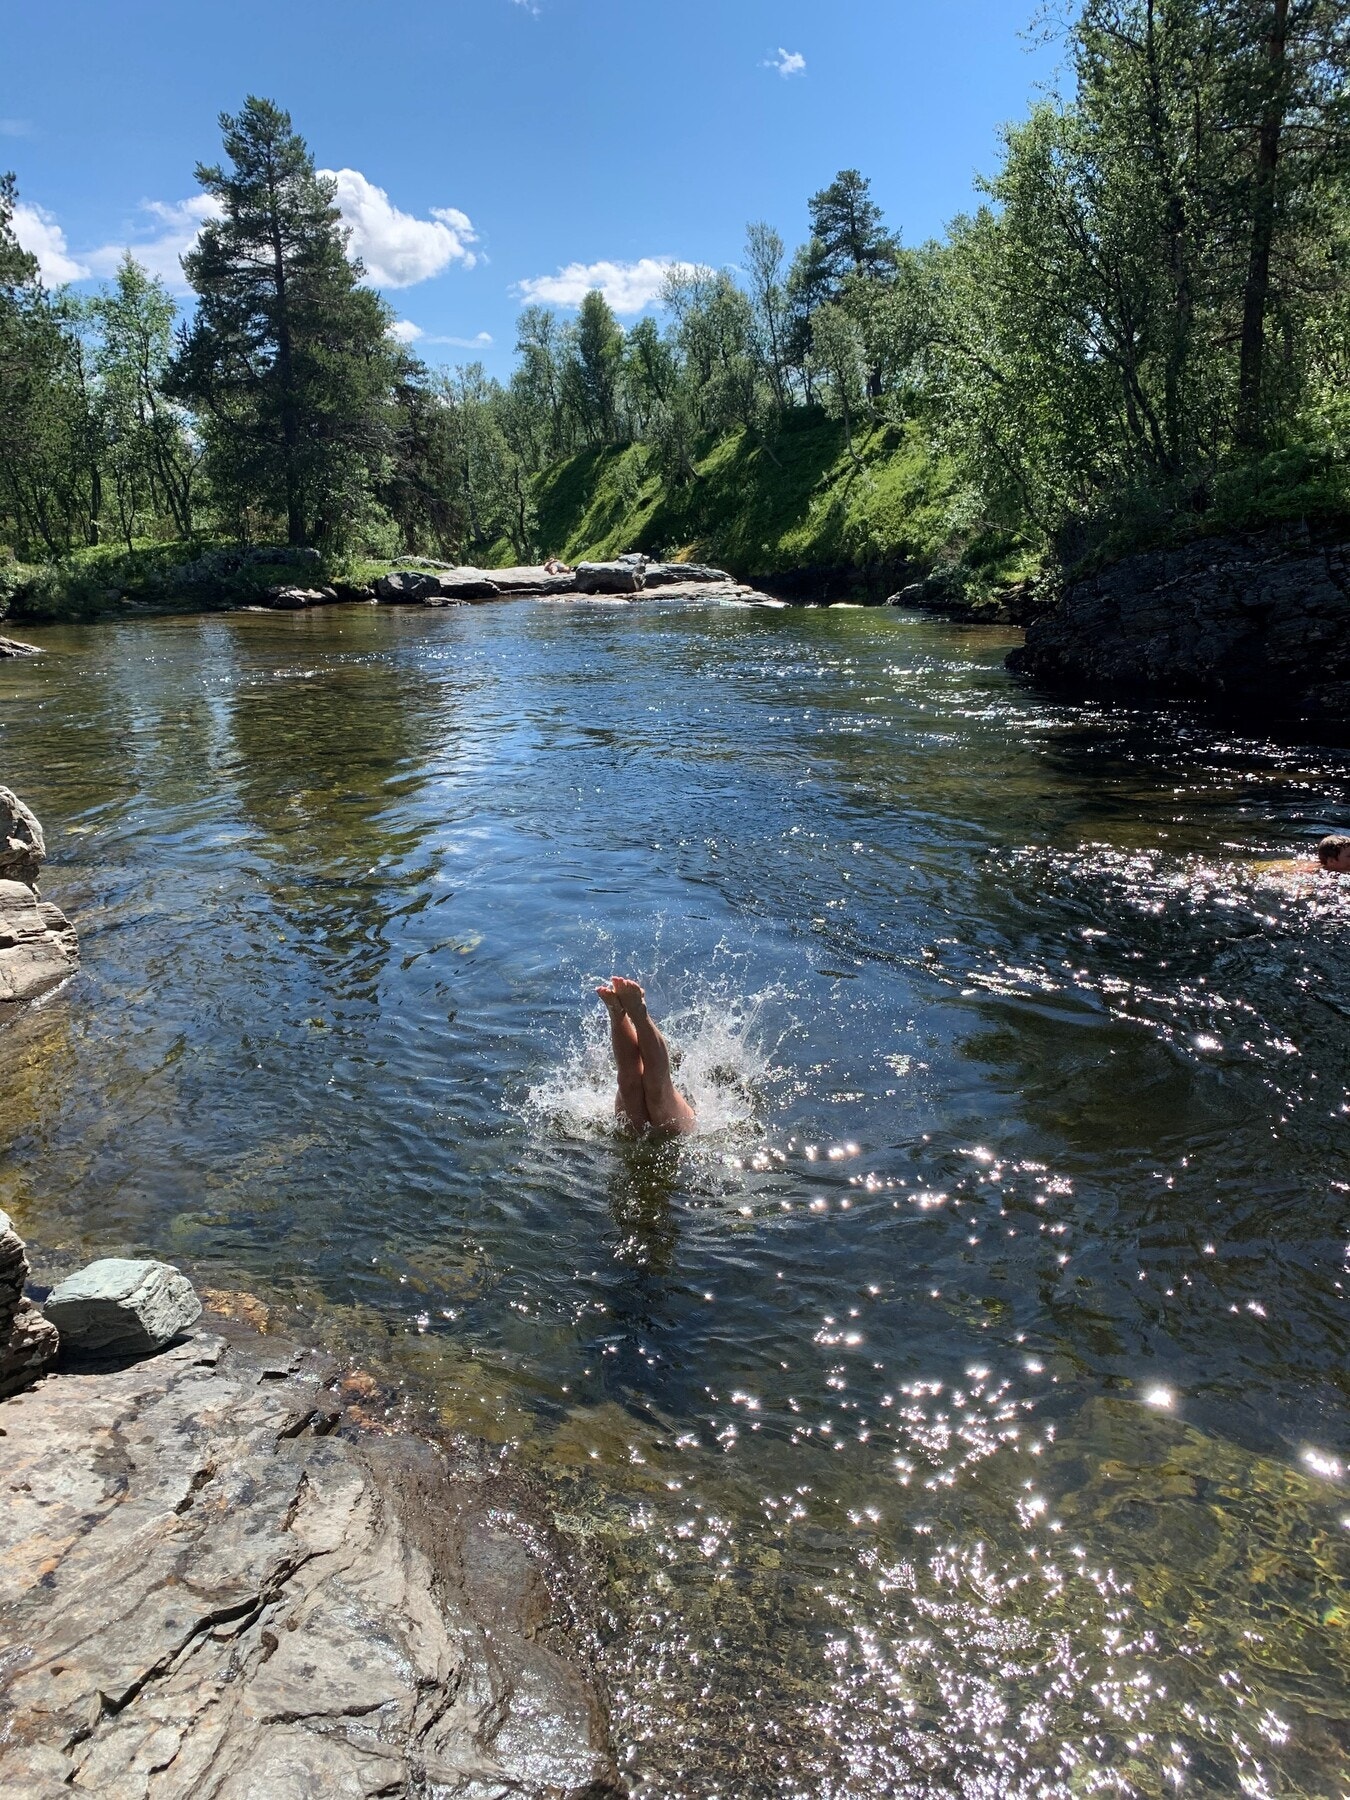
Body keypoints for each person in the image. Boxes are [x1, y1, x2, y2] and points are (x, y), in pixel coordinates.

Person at [596, 976, 697, 1135]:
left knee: (654, 1088)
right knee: (630, 1083)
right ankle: (618, 1011)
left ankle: (637, 1012)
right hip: (673, 1130)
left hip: (671, 1127)